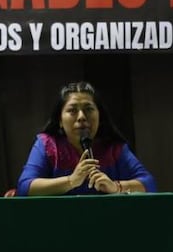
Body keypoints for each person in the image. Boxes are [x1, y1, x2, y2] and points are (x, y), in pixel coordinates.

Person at [16, 81, 156, 196]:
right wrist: (71, 181)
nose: (82, 116)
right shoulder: (47, 145)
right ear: (60, 120)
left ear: (99, 116)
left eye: (88, 109)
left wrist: (115, 187)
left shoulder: (114, 148)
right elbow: (24, 187)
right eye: (72, 110)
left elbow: (149, 184)